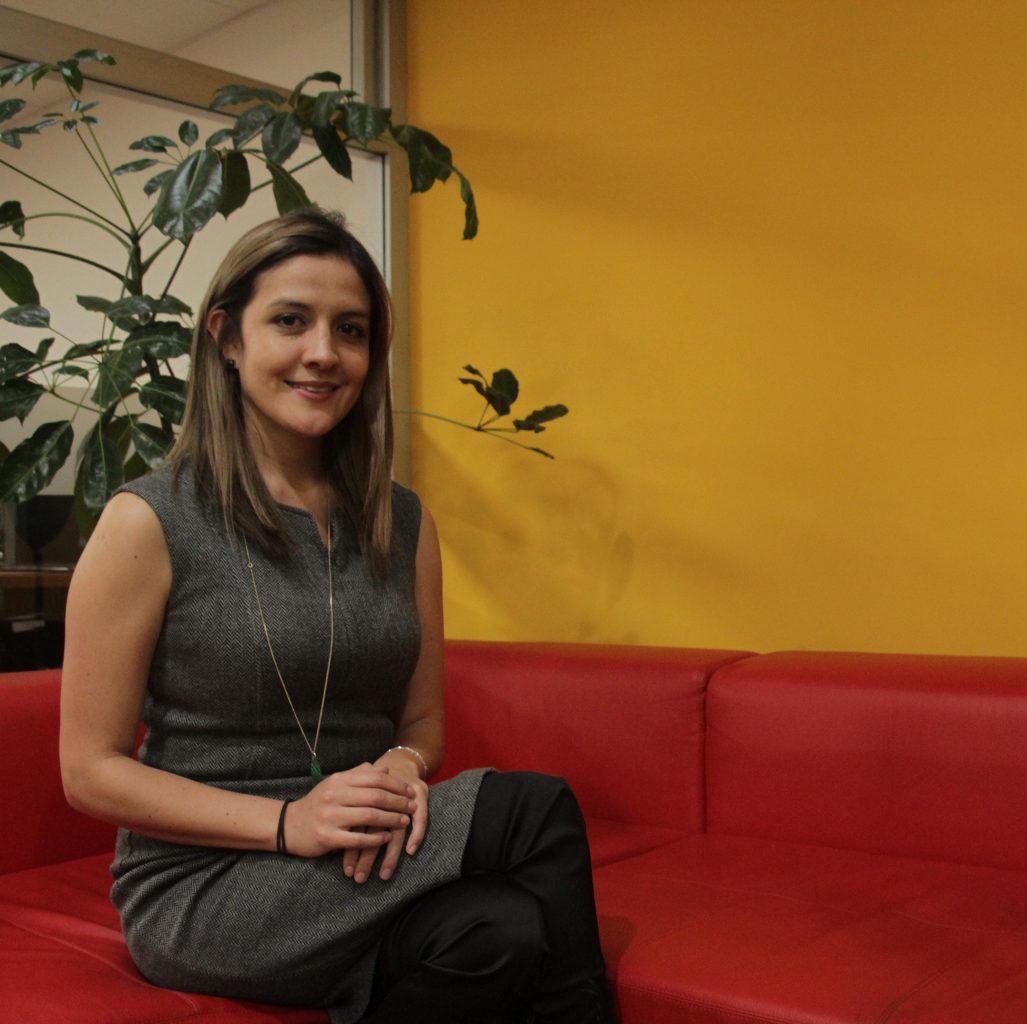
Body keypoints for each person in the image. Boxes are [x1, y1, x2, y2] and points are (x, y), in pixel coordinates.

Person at [60, 209, 614, 1023]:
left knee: (501, 933)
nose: (324, 352)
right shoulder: (148, 521)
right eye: (291, 321)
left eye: (350, 330)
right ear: (226, 337)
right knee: (532, 807)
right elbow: (88, 771)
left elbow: (421, 726)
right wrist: (290, 822)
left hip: (357, 856)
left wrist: (398, 772)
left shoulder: (400, 520)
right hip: (207, 882)